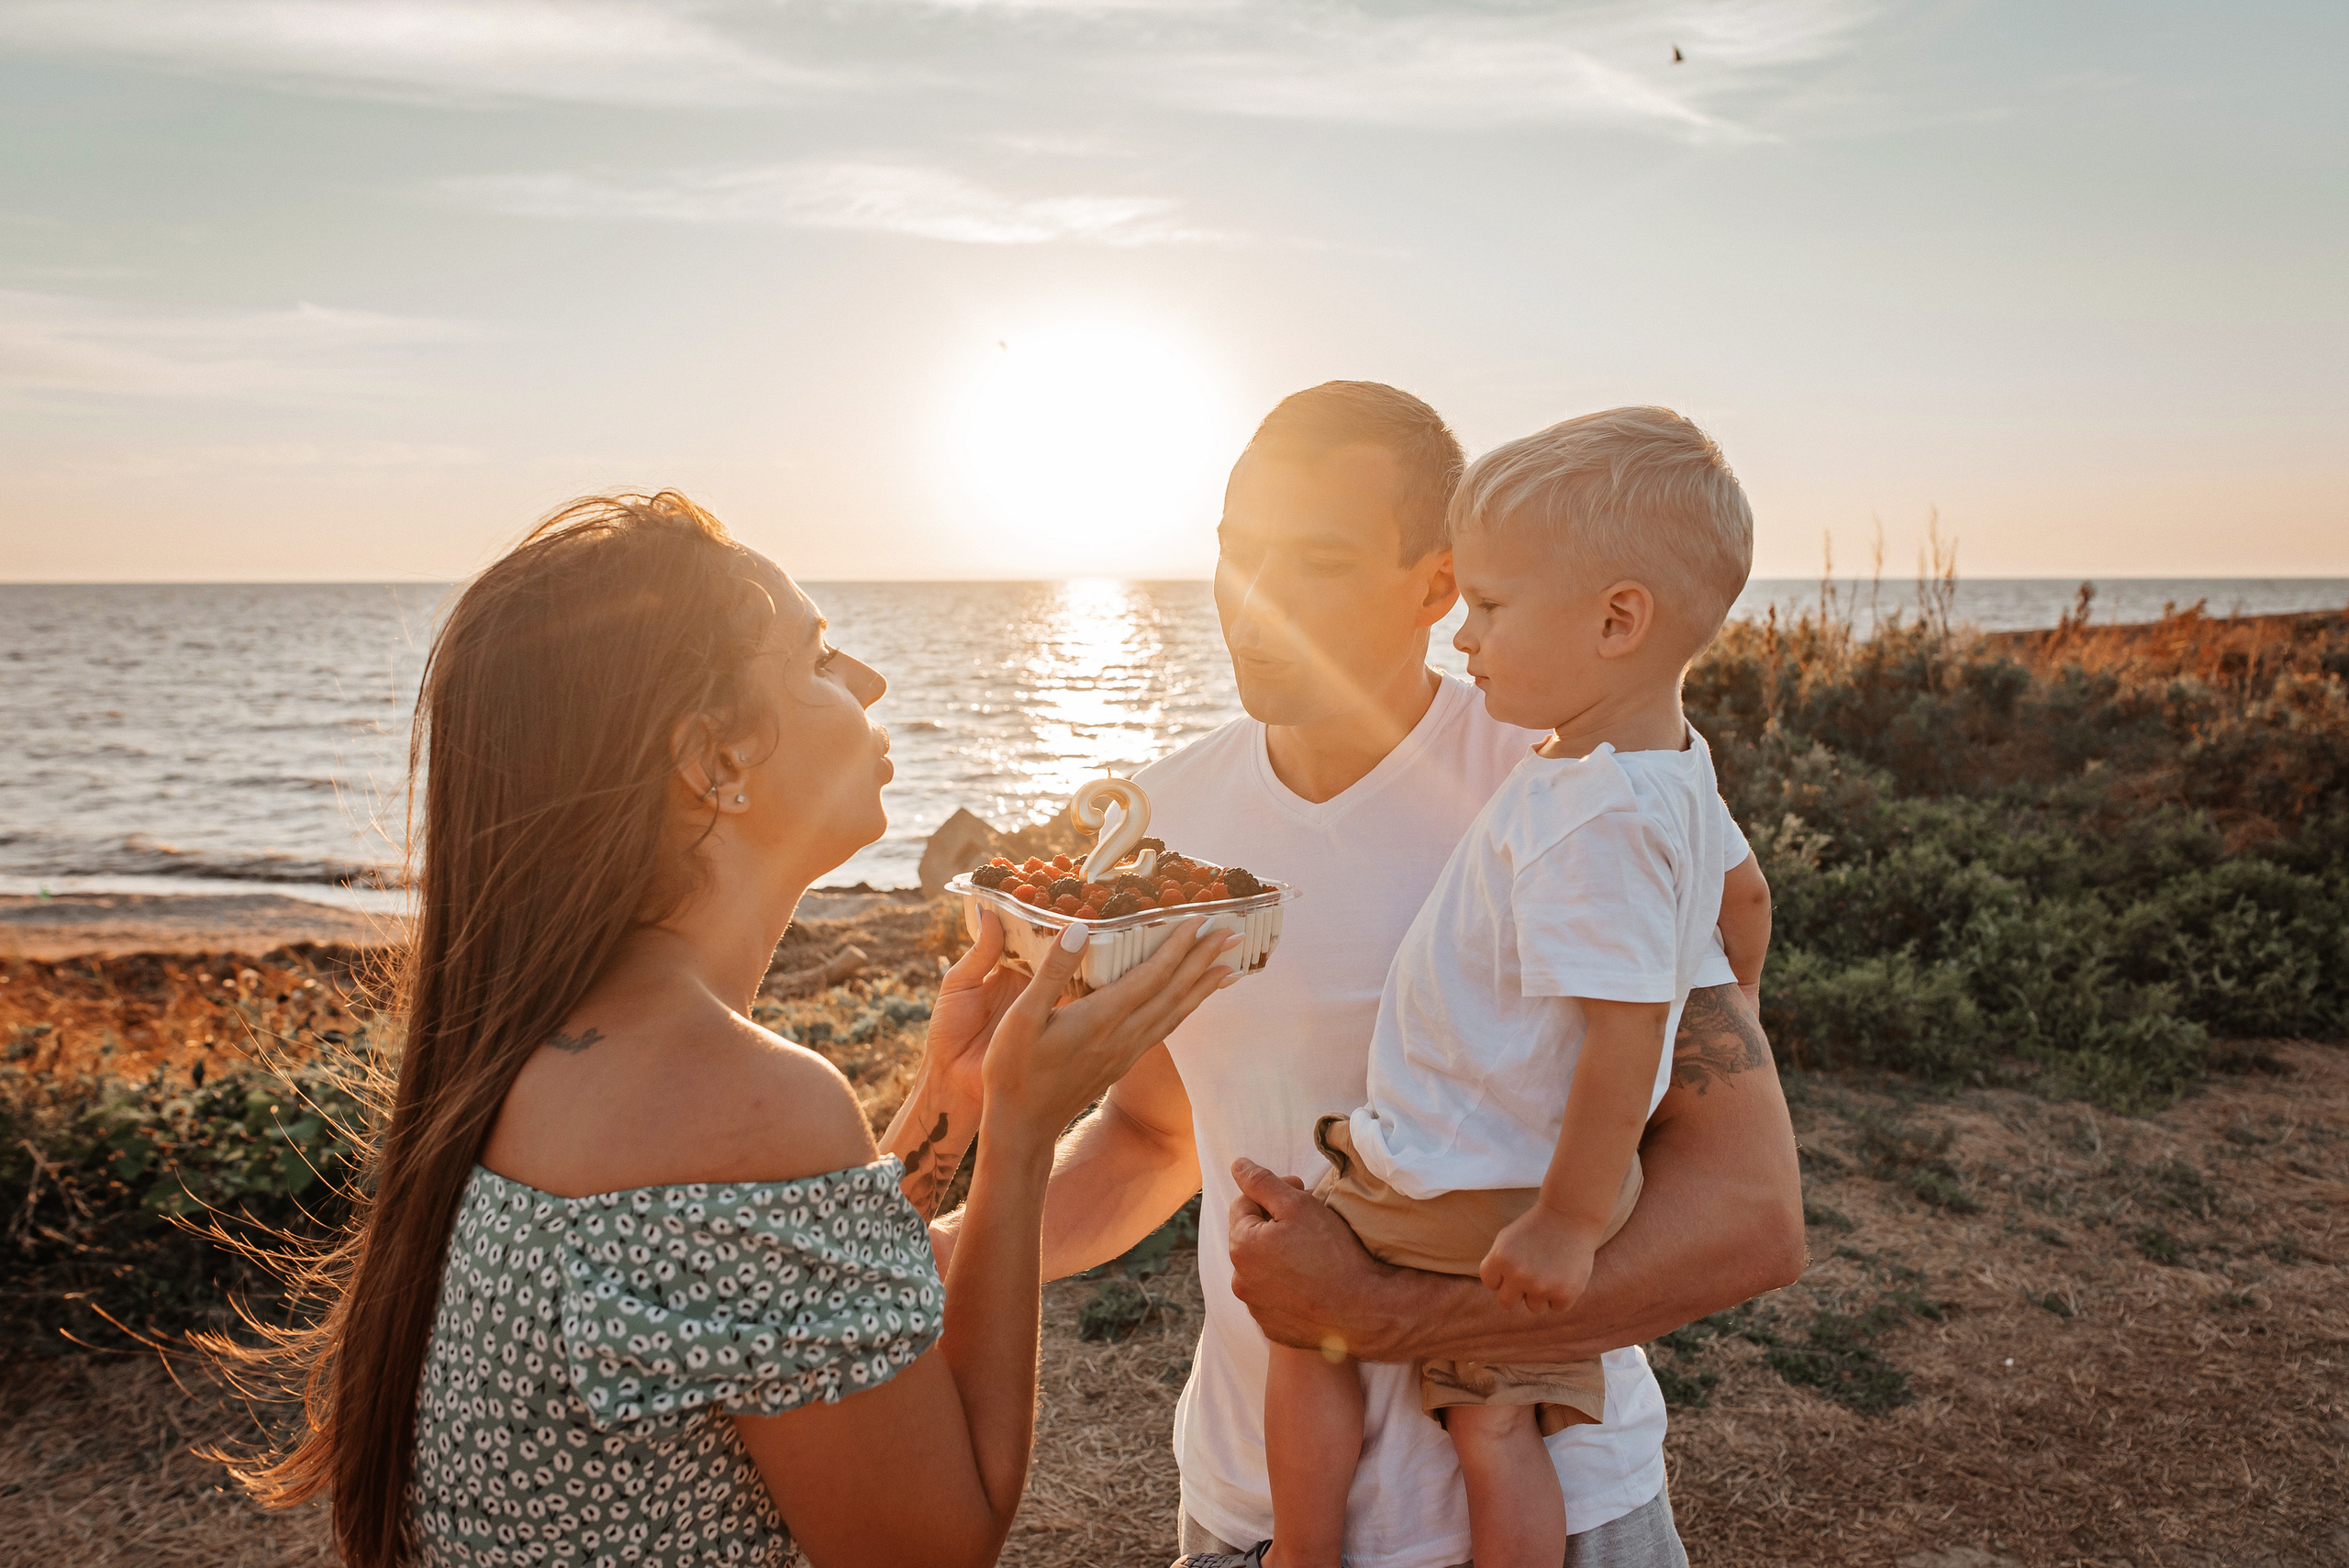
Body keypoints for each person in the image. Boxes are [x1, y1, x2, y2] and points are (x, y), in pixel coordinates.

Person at [217, 492, 1245, 1568]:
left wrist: (951, 1100)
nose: (872, 682)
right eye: (818, 658)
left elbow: (790, 1291)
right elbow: (940, 1544)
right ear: (714, 759)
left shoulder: (524, 1044)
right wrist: (1026, 1132)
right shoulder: (743, 1100)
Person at [935, 383, 1802, 1568]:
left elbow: (1752, 1218)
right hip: (1256, 1516)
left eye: (1319, 563)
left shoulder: (1573, 790)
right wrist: (936, 1246)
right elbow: (1152, 1137)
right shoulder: (1173, 818)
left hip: (1561, 1513)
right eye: (1237, 555)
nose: (1255, 605)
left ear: (1438, 585)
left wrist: (1377, 1319)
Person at [1247, 406, 1772, 1568]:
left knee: (1298, 1310)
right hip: (1521, 1175)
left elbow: (1626, 1034)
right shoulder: (1666, 770)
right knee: (1493, 1420)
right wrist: (1737, 1006)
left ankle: (1296, 1550)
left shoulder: (1587, 814)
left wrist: (1568, 1221)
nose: (1467, 636)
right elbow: (1748, 905)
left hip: (1462, 1172)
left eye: (1489, 606)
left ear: (1615, 619)